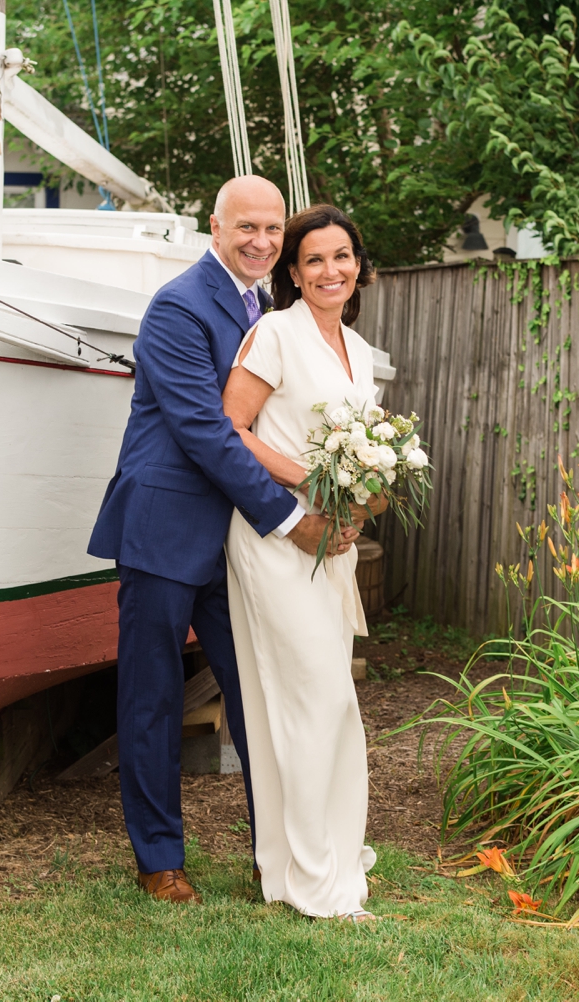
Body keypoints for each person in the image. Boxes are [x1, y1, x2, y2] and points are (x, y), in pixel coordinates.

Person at [87, 177, 357, 905]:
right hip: (167, 528)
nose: (262, 241)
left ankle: (283, 856)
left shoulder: (267, 310)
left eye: (273, 229)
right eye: (247, 227)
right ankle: (159, 861)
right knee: (152, 698)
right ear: (215, 226)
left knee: (260, 694)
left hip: (239, 543)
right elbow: (207, 431)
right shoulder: (178, 306)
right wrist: (292, 516)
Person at [221, 204, 386, 921]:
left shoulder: (359, 348)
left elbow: (366, 461)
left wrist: (358, 505)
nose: (330, 271)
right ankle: (317, 883)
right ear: (292, 272)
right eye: (314, 260)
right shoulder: (275, 333)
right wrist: (307, 483)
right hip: (274, 540)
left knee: (332, 704)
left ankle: (305, 865)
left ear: (359, 265)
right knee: (310, 701)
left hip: (332, 546)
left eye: (341, 256)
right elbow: (230, 427)